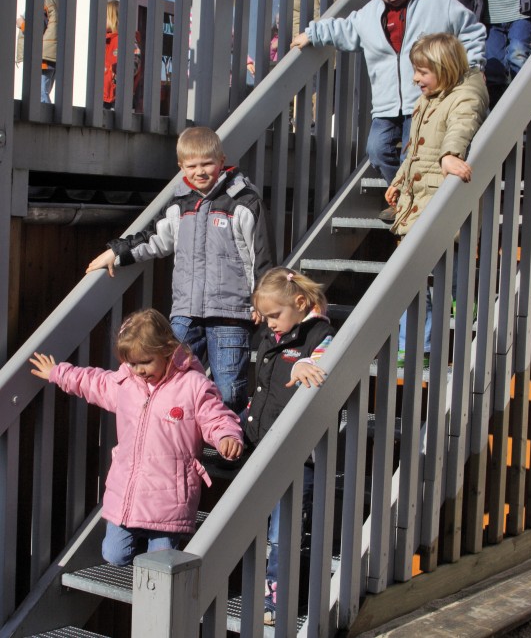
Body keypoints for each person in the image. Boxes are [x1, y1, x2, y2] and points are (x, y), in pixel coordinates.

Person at [29, 308, 243, 565]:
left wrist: (227, 436)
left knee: (160, 564)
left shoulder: (192, 385)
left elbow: (216, 416)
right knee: (114, 555)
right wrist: (58, 372)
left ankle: (153, 556)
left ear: (167, 350)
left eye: (145, 362)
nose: (138, 370)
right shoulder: (126, 384)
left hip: (170, 493)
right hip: (128, 488)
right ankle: (139, 534)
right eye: (132, 363)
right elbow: (92, 382)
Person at [86, 126, 275, 414]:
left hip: (231, 312)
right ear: (181, 167)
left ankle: (229, 445)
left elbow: (261, 254)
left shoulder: (243, 201)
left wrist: (262, 299)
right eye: (192, 166)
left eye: (207, 164)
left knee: (228, 387)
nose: (200, 171)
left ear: (221, 160)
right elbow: (154, 239)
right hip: (186, 312)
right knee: (170, 373)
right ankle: (183, 435)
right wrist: (117, 253)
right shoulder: (180, 204)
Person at [290, 0, 486, 220]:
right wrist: (313, 34)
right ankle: (405, 195)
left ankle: (417, 206)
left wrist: (474, 65)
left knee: (414, 152)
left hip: (426, 98)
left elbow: (471, 31)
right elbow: (346, 29)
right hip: (386, 101)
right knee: (377, 150)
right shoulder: (372, 11)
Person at [384, 34, 488, 366]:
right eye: (415, 71)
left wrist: (449, 154)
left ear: (444, 69)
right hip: (418, 195)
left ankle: (455, 306)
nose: (416, 79)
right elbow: (413, 150)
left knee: (430, 262)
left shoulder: (465, 94)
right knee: (411, 272)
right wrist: (399, 180)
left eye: (422, 72)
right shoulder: (427, 99)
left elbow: (462, 124)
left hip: (439, 191)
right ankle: (417, 343)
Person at [243, 267, 333, 626]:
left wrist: (309, 362)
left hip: (296, 455)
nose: (269, 324)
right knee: (257, 520)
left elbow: (327, 354)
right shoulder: (273, 332)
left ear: (300, 302)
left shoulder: (318, 334)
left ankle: (278, 600)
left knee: (284, 531)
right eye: (264, 317)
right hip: (262, 440)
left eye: (274, 315)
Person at [16, 0, 60, 104]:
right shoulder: (56, 0)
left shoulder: (39, 1)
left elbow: (37, 29)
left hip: (43, 56)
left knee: (40, 94)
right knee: (44, 91)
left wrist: (22, 24)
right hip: (54, 55)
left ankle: (46, 125)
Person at [104, 0, 143, 109]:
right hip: (103, 94)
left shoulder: (127, 38)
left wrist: (118, 70)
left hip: (119, 95)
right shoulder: (105, 40)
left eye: (105, 16)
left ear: (113, 18)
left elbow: (136, 60)